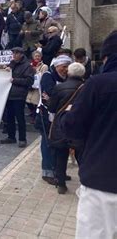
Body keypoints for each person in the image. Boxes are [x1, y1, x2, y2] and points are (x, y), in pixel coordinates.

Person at [60, 30, 117, 238]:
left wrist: (67, 115)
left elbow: (73, 127)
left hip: (103, 182)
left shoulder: (99, 84)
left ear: (107, 57)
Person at [47, 62, 85, 194]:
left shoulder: (60, 87)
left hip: (62, 125)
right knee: (82, 157)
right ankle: (86, 184)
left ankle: (61, 184)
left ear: (69, 73)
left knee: (61, 155)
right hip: (81, 126)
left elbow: (52, 108)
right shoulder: (88, 87)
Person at [39, 54, 73, 184]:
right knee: (47, 144)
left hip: (61, 116)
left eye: (68, 67)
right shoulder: (48, 76)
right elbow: (50, 95)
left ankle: (59, 172)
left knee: (58, 145)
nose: (66, 69)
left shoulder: (67, 78)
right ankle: (47, 172)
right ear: (57, 66)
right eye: (64, 66)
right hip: (47, 116)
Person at [1, 47, 35, 147]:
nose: (14, 55)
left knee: (20, 118)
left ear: (21, 54)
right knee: (9, 117)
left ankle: (22, 138)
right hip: (9, 95)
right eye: (13, 53)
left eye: (16, 53)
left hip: (19, 95)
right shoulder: (12, 64)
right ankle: (11, 137)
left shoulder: (27, 66)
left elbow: (29, 81)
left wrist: (14, 80)